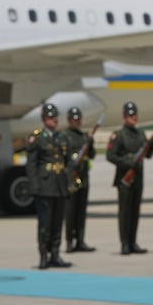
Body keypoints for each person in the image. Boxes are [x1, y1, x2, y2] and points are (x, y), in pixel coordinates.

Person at [26, 103, 72, 270]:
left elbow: (66, 163)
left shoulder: (61, 137)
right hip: (45, 186)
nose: (54, 120)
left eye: (55, 117)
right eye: (50, 117)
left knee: (57, 223)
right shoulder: (37, 138)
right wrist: (34, 187)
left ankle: (55, 254)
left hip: (59, 186)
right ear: (44, 119)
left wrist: (69, 184)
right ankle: (43, 256)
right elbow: (31, 166)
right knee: (45, 224)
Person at [107, 101, 152, 255]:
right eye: (130, 115)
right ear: (124, 117)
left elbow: (149, 155)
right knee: (125, 212)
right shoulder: (119, 135)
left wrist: (150, 145)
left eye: (134, 115)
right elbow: (111, 156)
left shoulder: (140, 134)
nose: (133, 118)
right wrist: (128, 162)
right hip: (124, 179)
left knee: (135, 211)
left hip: (138, 177)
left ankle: (133, 241)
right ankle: (125, 243)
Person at [63, 106, 96, 253]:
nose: (77, 122)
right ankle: (70, 241)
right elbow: (64, 157)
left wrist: (91, 143)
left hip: (83, 176)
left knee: (81, 211)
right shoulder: (65, 137)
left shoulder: (84, 137)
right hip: (71, 176)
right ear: (69, 120)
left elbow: (92, 155)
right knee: (71, 211)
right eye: (74, 119)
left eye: (78, 119)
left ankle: (80, 240)